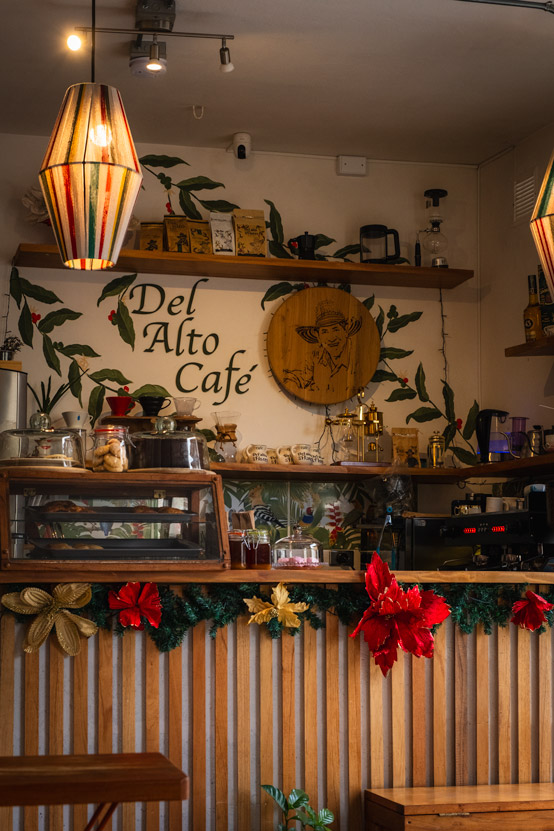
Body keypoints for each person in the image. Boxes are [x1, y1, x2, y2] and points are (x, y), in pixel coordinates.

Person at [284, 301, 361, 395]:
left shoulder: (358, 358)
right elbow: (299, 377)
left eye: (335, 329)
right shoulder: (315, 357)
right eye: (324, 332)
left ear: (345, 331)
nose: (331, 338)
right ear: (318, 337)